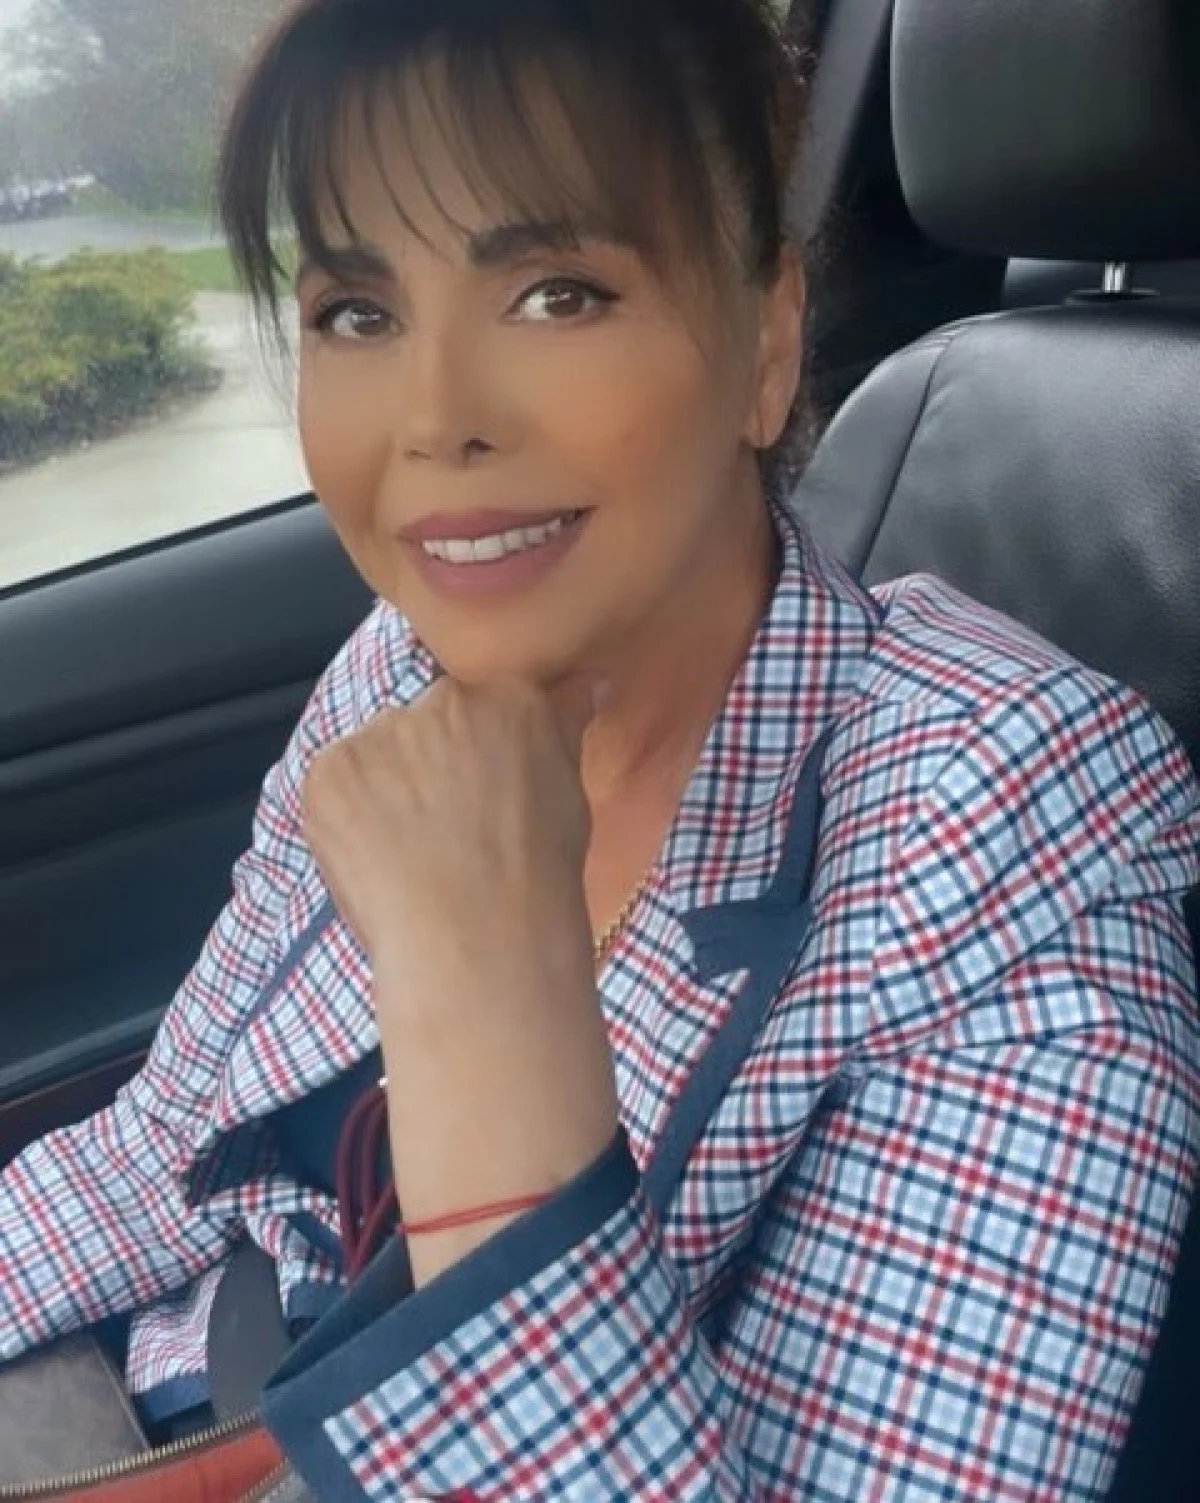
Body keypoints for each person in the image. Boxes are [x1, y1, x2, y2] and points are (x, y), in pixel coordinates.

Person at [2, 0, 1199, 1496]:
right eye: (359, 313)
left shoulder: (1010, 819)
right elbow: (153, 1154)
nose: (435, 417)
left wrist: (485, 991)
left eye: (556, 293)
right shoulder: (395, 670)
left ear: (764, 344)